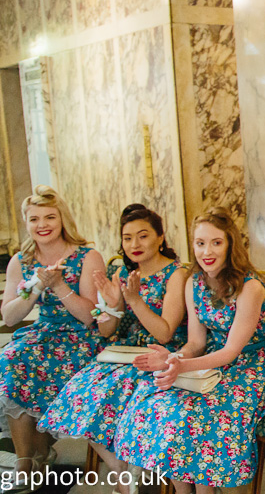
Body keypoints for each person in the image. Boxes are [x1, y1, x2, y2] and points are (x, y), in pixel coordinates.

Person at [114, 208, 265, 493]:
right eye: (200, 243)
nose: (207, 252)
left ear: (230, 245)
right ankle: (183, 490)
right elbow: (196, 343)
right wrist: (172, 358)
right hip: (210, 357)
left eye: (216, 242)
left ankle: (205, 491)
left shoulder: (250, 287)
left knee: (200, 415)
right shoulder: (194, 282)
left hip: (250, 365)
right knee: (158, 403)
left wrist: (182, 366)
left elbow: (231, 351)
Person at [38, 204, 187, 494]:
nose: (134, 244)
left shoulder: (176, 274)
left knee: (117, 393)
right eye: (127, 238)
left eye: (143, 236)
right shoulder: (122, 272)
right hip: (125, 351)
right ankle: (122, 472)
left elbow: (166, 333)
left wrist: (134, 301)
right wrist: (109, 305)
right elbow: (106, 331)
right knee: (80, 391)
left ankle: (135, 475)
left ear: (160, 237)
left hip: (162, 354)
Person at [0, 186, 105, 486]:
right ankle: (25, 460)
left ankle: (42, 450)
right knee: (12, 359)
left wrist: (58, 285)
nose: (42, 225)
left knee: (44, 363)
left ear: (62, 220)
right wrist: (34, 288)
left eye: (49, 217)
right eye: (34, 219)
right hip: (44, 331)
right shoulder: (20, 261)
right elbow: (9, 317)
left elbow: (89, 316)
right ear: (26, 222)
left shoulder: (87, 256)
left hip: (81, 336)